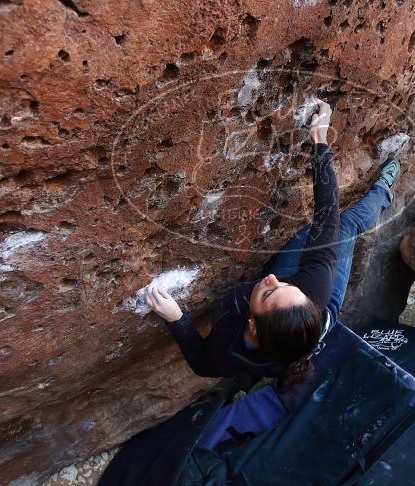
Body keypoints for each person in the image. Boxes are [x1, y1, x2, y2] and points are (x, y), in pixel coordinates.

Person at [146, 98, 400, 387]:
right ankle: (383, 192)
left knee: (323, 234)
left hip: (294, 328)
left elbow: (202, 364)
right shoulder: (314, 286)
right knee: (344, 225)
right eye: (285, 285)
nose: (271, 279)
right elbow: (327, 215)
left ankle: (380, 194)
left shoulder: (230, 351)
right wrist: (319, 139)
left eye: (270, 293)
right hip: (314, 310)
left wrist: (177, 319)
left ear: (251, 325)